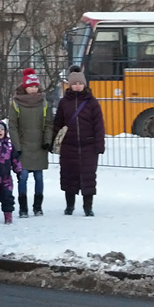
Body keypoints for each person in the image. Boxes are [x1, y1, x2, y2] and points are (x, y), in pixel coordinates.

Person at [53, 66, 105, 216]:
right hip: (69, 146)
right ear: (70, 85)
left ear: (84, 84)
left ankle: (88, 207)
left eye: (80, 83)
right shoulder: (64, 103)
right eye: (74, 83)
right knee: (69, 177)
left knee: (88, 177)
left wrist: (99, 144)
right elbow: (58, 123)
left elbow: (99, 125)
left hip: (88, 146)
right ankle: (69, 206)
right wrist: (53, 142)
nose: (77, 86)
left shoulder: (92, 102)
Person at [10, 68, 54, 217]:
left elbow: (49, 123)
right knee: (22, 177)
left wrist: (47, 141)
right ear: (24, 87)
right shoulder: (16, 103)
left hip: (39, 146)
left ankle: (38, 206)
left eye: (35, 86)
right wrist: (17, 146)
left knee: (39, 177)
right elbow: (13, 126)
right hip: (23, 146)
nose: (33, 89)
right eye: (30, 86)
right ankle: (23, 208)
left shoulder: (43, 103)